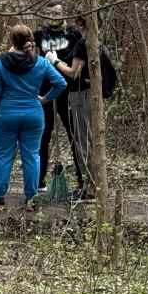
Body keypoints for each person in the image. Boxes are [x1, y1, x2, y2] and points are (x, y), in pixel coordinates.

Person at [0, 24, 66, 211]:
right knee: (31, 156)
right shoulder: (41, 62)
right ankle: (30, 200)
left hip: (7, 114)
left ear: (13, 41)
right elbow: (60, 83)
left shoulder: (1, 62)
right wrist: (45, 99)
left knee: (4, 156)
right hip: (33, 114)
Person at [34, 1, 86, 194]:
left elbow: (78, 66)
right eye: (51, 13)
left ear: (64, 14)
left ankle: (82, 179)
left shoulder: (73, 35)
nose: (54, 16)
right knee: (43, 134)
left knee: (74, 134)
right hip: (44, 91)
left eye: (58, 13)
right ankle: (39, 180)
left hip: (68, 91)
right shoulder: (39, 35)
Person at [49, 13, 99, 199]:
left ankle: (88, 188)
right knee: (89, 140)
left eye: (78, 24)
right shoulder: (95, 43)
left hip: (80, 96)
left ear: (82, 25)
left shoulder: (82, 44)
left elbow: (74, 73)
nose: (76, 27)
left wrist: (55, 61)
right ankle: (93, 186)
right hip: (89, 95)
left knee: (82, 141)